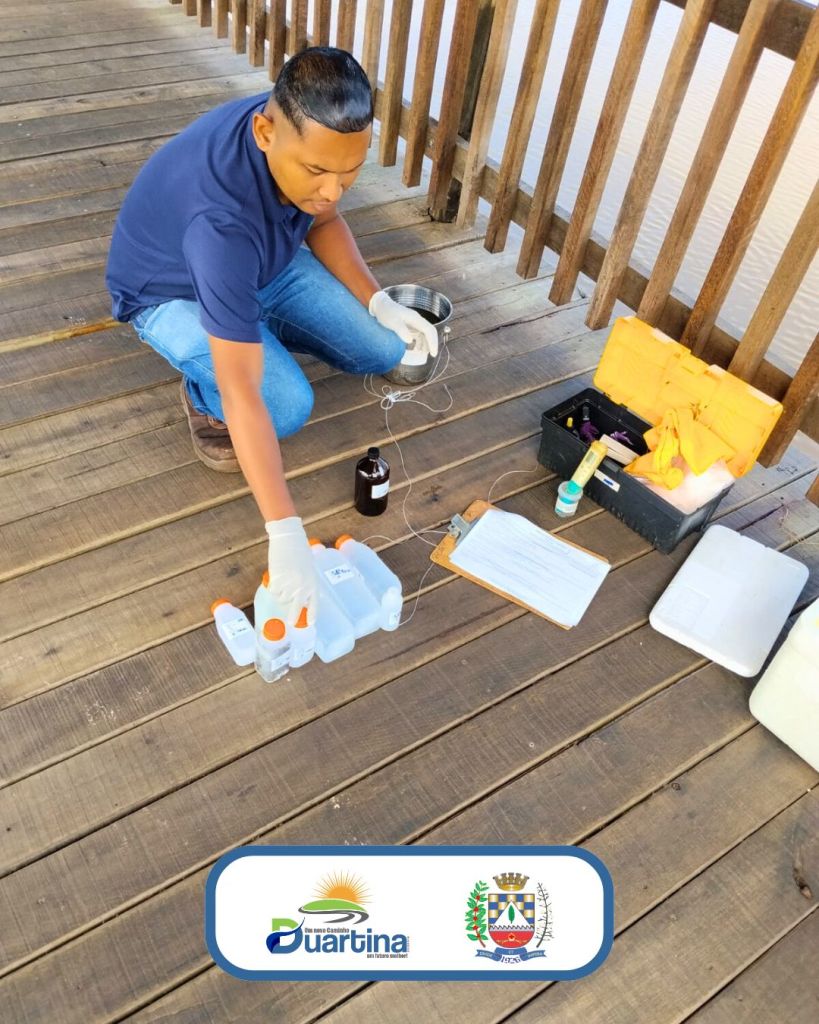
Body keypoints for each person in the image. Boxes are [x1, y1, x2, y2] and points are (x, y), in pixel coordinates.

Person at [105, 47, 438, 631]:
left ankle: (255, 325)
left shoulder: (301, 126)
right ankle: (199, 390)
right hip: (170, 290)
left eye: (349, 173)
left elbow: (325, 219)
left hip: (263, 264)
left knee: (383, 347)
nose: (333, 190)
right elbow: (243, 392)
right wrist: (285, 533)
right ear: (264, 133)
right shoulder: (220, 223)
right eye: (318, 172)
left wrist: (379, 301)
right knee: (283, 406)